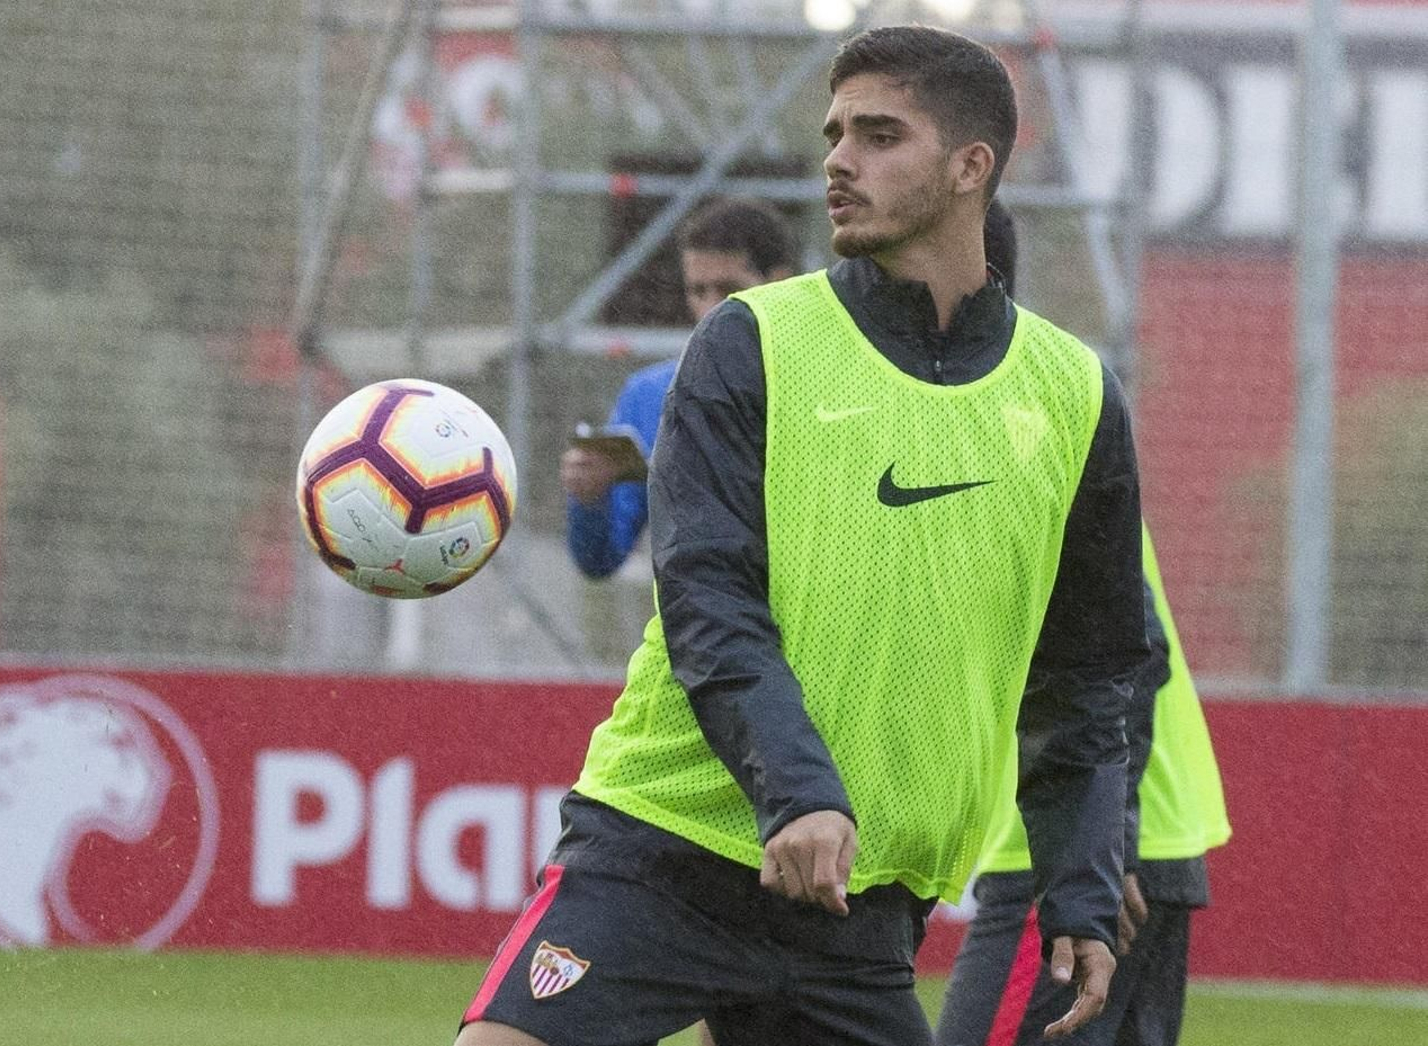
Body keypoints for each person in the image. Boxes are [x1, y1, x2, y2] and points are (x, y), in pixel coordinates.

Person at [458, 25, 1148, 1046]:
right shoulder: (748, 344)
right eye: (833, 132)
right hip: (669, 845)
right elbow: (706, 596)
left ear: (972, 167)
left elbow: (1087, 675)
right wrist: (799, 794)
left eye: (878, 135)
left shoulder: (1075, 393)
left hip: (857, 899)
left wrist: (1080, 887)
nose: (837, 158)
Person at [935, 525, 1231, 1046]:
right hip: (1126, 835)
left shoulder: (1021, 451)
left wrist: (1103, 844)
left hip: (1072, 839)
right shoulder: (1073, 451)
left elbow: (1128, 649)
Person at [561, 196, 799, 579]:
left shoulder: (830, 385)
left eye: (728, 290)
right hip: (695, 633)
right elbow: (600, 560)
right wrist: (590, 499)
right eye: (697, 290)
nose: (710, 308)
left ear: (779, 282)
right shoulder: (650, 394)